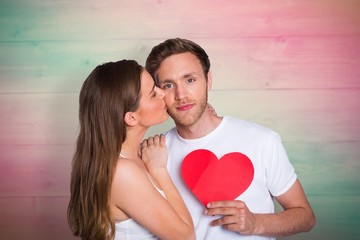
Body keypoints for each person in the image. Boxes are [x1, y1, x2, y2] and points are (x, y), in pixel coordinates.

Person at [145, 38, 316, 239]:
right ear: (157, 92)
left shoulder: (262, 141)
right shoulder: (153, 157)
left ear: (208, 80)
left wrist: (256, 224)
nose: (181, 94)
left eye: (190, 80)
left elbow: (305, 217)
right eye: (168, 85)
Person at [67, 60, 195, 240]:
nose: (162, 92)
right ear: (131, 118)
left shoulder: (134, 158)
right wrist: (159, 171)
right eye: (153, 93)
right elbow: (186, 237)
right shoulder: (122, 172)